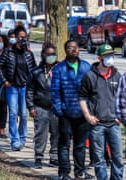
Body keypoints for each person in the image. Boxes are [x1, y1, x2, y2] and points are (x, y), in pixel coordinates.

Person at [79, 44, 123, 180]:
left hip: (114, 124)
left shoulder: (117, 75)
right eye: (107, 56)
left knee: (117, 158)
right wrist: (88, 116)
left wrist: (120, 116)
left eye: (112, 55)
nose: (110, 58)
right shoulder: (90, 76)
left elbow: (123, 98)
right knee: (99, 159)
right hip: (97, 125)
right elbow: (81, 97)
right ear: (100, 58)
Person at [51, 40, 93, 180]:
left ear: (79, 50)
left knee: (80, 145)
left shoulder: (86, 67)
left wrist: (90, 110)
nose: (73, 50)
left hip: (83, 113)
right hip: (66, 114)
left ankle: (79, 171)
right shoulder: (59, 69)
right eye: (69, 48)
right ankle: (64, 172)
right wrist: (59, 110)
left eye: (75, 47)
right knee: (64, 145)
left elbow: (92, 90)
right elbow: (55, 92)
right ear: (65, 50)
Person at [0, 25, 37, 151]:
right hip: (12, 87)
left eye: (24, 37)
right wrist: (4, 81)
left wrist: (32, 85)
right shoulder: (8, 52)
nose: (22, 40)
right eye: (20, 37)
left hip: (25, 87)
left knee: (24, 115)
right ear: (15, 38)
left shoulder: (29, 54)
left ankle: (22, 138)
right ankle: (14, 140)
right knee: (13, 113)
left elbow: (34, 70)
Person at [26, 43, 59, 169]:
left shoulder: (60, 70)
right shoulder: (36, 72)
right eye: (48, 54)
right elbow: (29, 90)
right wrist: (31, 107)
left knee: (57, 134)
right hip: (41, 107)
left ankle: (54, 157)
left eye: (53, 54)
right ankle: (38, 157)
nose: (51, 56)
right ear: (43, 55)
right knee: (41, 134)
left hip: (56, 109)